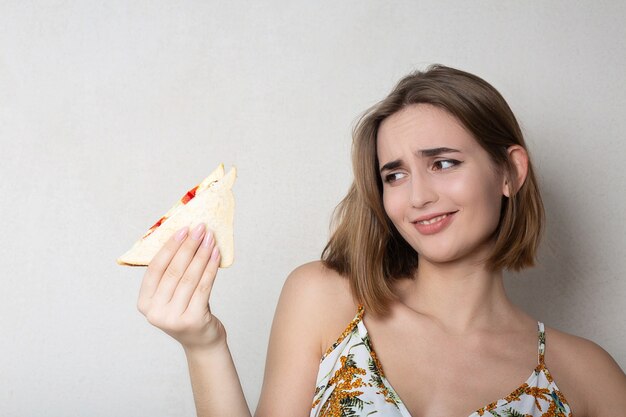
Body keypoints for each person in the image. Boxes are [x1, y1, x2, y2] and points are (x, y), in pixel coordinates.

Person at [136, 65, 626, 417]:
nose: (418, 196)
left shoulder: (585, 375)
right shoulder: (324, 300)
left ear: (510, 171)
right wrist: (204, 345)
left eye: (444, 163)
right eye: (394, 175)